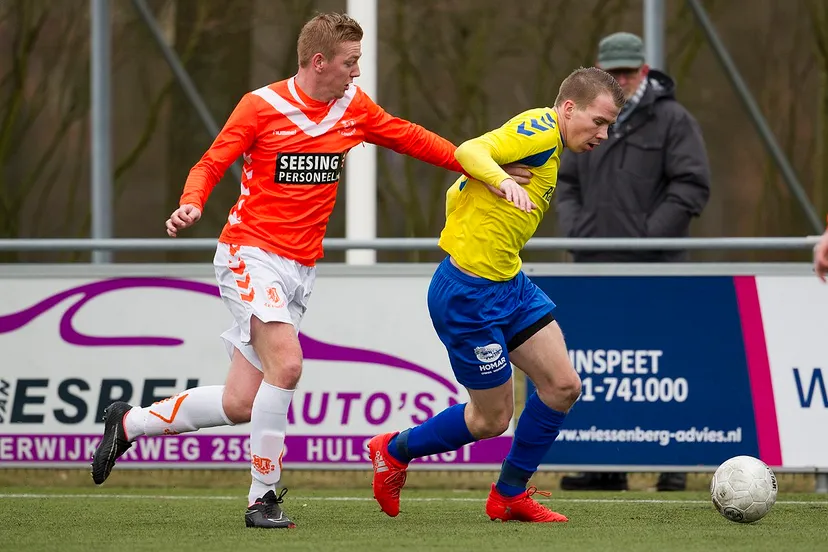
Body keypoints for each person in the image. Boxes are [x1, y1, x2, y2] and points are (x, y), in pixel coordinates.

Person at [89, 12, 530, 529]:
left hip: (299, 267)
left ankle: (129, 424)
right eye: (350, 62)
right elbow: (211, 162)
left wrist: (486, 172)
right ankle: (263, 497)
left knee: (240, 403)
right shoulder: (262, 105)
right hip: (248, 252)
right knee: (289, 367)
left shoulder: (352, 109)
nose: (357, 72)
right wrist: (191, 203)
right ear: (319, 62)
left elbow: (412, 138)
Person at [368, 67, 625, 523]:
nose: (604, 133)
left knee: (563, 386)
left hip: (509, 284)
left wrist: (484, 179)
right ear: (569, 108)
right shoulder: (542, 131)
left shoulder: (550, 144)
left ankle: (509, 494)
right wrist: (500, 179)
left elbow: (458, 187)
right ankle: (393, 449)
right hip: (467, 296)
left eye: (609, 125)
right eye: (599, 121)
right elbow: (470, 150)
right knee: (490, 420)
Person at [555, 32, 710, 492]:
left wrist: (646, 239)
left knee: (663, 366)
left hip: (655, 269)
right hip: (595, 266)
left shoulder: (674, 120)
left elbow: (691, 186)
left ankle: (673, 464)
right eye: (613, 71)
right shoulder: (584, 117)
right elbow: (566, 183)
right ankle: (606, 467)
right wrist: (578, 232)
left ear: (644, 70)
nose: (621, 78)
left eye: (628, 70)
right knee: (601, 366)